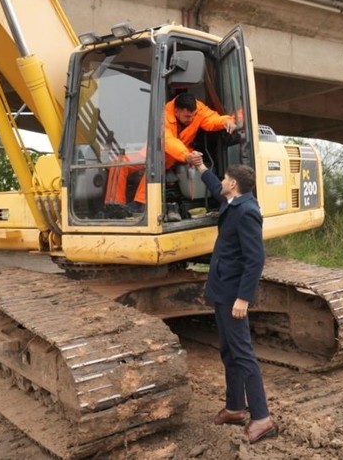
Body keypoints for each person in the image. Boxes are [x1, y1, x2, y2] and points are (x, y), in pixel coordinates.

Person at [194, 159, 277, 444]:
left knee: (243, 354)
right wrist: (202, 167)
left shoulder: (247, 212)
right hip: (222, 289)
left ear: (234, 184)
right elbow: (216, 190)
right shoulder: (233, 201)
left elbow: (256, 260)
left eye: (225, 179)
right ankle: (235, 408)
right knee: (228, 352)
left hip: (233, 295)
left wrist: (243, 298)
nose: (222, 182)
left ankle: (262, 418)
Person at [104, 92, 235, 212]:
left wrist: (225, 121)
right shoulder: (164, 115)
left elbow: (211, 120)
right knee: (119, 163)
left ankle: (140, 203)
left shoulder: (198, 109)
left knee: (155, 162)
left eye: (193, 116)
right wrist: (186, 156)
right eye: (187, 116)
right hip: (165, 150)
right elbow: (167, 140)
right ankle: (114, 206)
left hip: (177, 153)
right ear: (176, 111)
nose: (191, 119)